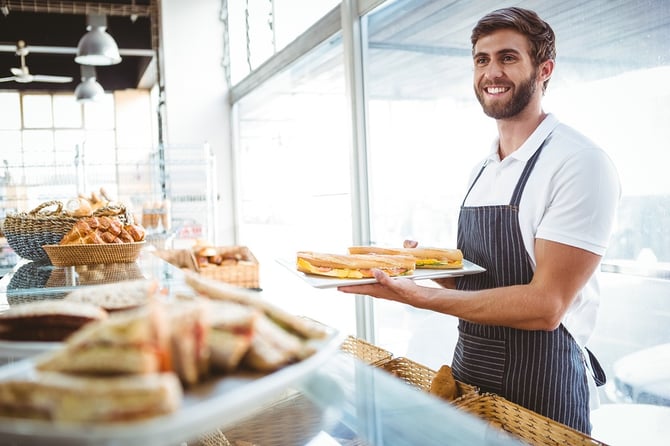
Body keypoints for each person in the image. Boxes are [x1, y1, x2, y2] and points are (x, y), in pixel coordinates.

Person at [338, 6, 620, 434]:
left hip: (542, 387)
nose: (492, 72)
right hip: (470, 374)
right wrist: (428, 269)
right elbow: (479, 283)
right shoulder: (483, 169)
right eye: (481, 60)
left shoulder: (579, 162)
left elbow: (547, 306)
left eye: (508, 57)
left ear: (544, 69)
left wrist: (419, 298)